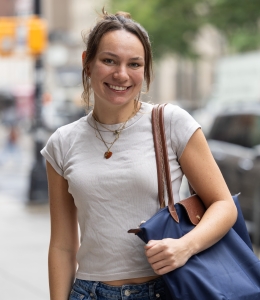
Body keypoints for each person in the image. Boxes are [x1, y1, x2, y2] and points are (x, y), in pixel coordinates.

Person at [41, 9, 237, 300]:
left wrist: (186, 246)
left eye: (134, 64)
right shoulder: (62, 142)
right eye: (109, 60)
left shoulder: (171, 123)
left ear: (145, 72)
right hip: (89, 292)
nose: (121, 74)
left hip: (164, 289)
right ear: (87, 63)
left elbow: (223, 205)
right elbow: (62, 245)